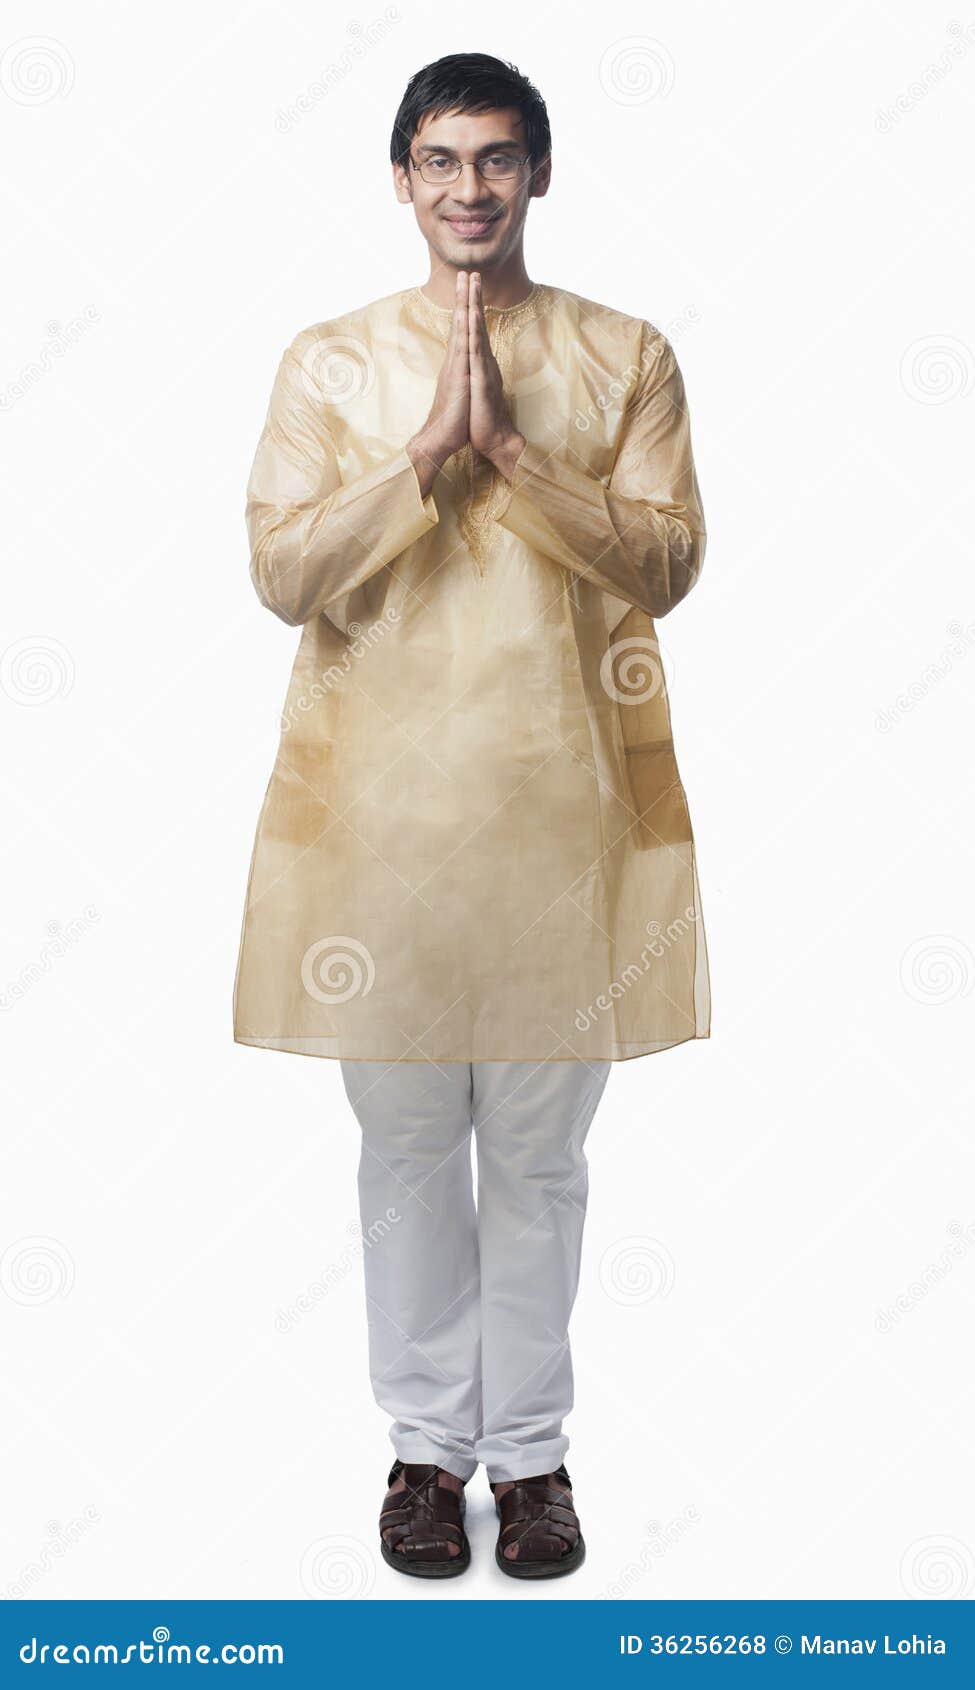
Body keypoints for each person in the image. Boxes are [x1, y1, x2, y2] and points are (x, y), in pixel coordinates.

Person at [233, 52, 710, 1579]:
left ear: (540, 176)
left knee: (543, 1159)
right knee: (406, 1152)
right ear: (399, 180)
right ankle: (429, 1455)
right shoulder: (328, 364)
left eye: (496, 159)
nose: (468, 189)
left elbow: (666, 562)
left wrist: (511, 450)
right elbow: (286, 576)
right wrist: (425, 453)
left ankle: (538, 1458)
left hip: (561, 815)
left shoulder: (623, 353)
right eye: (439, 161)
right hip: (378, 826)